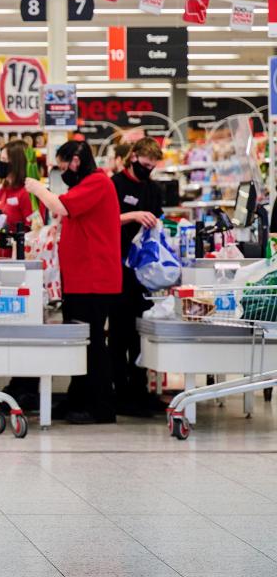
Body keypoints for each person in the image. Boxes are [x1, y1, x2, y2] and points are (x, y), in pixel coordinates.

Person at [25, 140, 121, 424]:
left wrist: (37, 188)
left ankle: (101, 407)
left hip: (94, 279)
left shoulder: (98, 182)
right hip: (81, 278)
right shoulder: (87, 185)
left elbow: (61, 207)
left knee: (92, 345)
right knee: (82, 344)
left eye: (62, 163)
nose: (61, 169)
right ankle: (78, 398)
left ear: (76, 160)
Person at [110, 137, 165, 417]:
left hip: (145, 272)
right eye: (145, 165)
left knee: (141, 332)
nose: (148, 170)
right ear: (132, 157)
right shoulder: (114, 185)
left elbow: (159, 220)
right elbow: (105, 219)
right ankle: (119, 391)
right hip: (118, 269)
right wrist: (132, 215)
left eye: (153, 166)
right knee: (120, 333)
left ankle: (140, 390)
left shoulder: (154, 189)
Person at [0, 140, 38, 257]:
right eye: (1, 160)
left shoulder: (27, 192)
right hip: (1, 258)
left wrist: (6, 241)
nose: (0, 164)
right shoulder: (4, 188)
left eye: (4, 160)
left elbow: (35, 233)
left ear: (16, 163)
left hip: (19, 262)